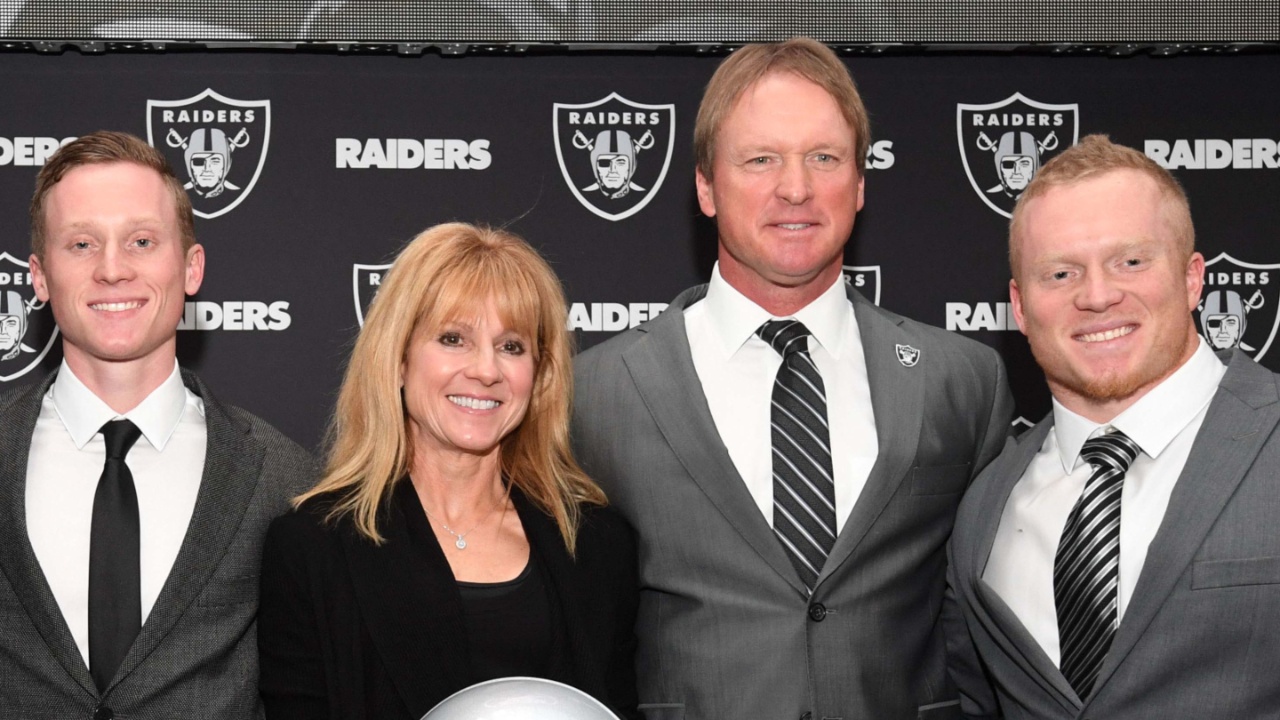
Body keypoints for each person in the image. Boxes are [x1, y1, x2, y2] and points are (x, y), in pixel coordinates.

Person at [572, 38, 1014, 719]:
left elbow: (987, 629)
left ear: (860, 183)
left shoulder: (962, 381)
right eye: (760, 159)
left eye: (824, 158)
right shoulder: (593, 395)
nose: (796, 188)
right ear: (705, 186)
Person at [947, 134, 1280, 719]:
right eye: (1060, 274)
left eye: (1131, 261)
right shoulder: (983, 509)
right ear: (1021, 308)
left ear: (1192, 278)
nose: (1098, 296)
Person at [258, 222, 639, 719]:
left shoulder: (597, 544)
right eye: (454, 338)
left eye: (512, 346)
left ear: (540, 373)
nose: (486, 370)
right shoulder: (313, 548)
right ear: (398, 359)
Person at [0, 130, 313, 717]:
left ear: (191, 267)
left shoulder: (284, 479)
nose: (113, 269)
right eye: (82, 244)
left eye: (142, 240)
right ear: (39, 278)